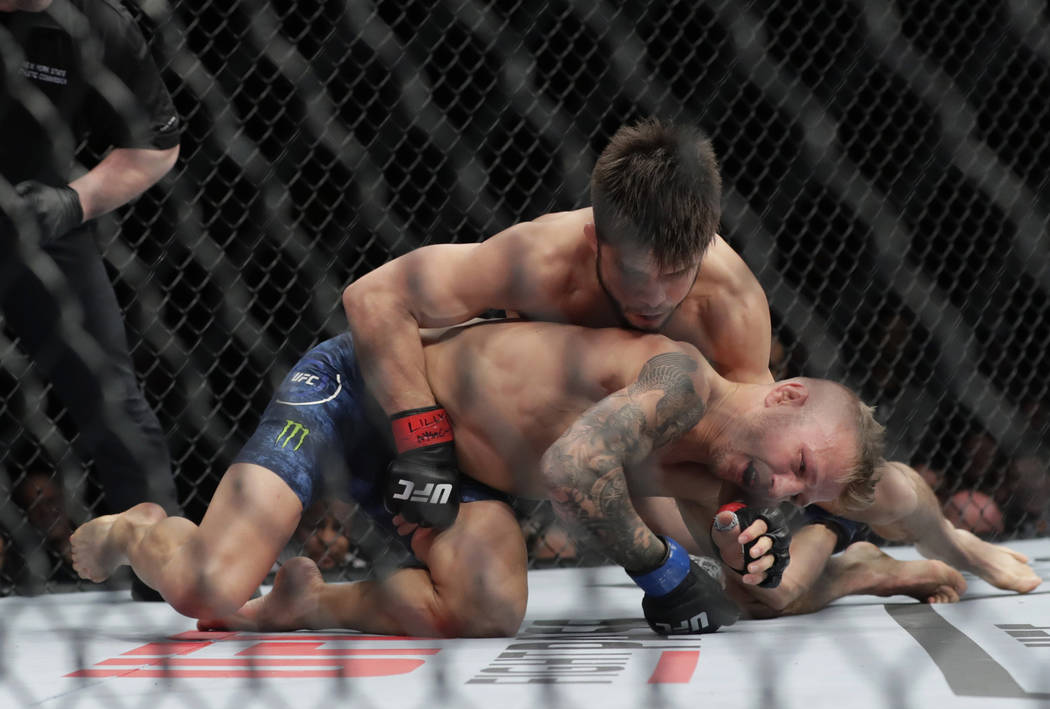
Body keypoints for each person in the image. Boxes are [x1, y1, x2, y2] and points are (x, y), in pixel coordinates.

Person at [338, 118, 1002, 615]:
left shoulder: (729, 303)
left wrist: (742, 520)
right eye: (635, 276)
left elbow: (758, 435)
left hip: (679, 436)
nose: (654, 298)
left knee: (813, 516)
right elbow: (383, 298)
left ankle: (944, 538)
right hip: (580, 430)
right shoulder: (543, 257)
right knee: (760, 584)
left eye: (675, 277)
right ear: (601, 243)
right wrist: (417, 431)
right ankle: (858, 564)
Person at [69, 318, 887, 636]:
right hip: (370, 396)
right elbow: (578, 467)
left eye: (800, 497)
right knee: (207, 589)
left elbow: (757, 589)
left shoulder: (724, 472)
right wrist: (671, 572)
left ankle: (301, 605)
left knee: (492, 608)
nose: (784, 492)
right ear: (784, 395)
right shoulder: (675, 380)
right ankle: (141, 527)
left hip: (458, 472)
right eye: (800, 468)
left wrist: (753, 562)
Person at [0, 0, 182, 599]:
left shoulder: (98, 22)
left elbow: (155, 144)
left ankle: (163, 572)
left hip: (39, 218)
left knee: (114, 399)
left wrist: (70, 203)